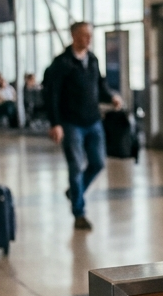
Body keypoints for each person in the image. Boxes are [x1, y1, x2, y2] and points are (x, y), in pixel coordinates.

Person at [43, 22, 124, 231]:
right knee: (75, 166)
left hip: (93, 121)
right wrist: (55, 124)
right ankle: (79, 212)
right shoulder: (61, 63)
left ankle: (74, 192)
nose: (88, 39)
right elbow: (51, 95)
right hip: (71, 124)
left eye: (90, 35)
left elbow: (100, 85)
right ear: (73, 36)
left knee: (97, 163)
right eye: (83, 35)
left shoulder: (93, 60)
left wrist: (111, 96)